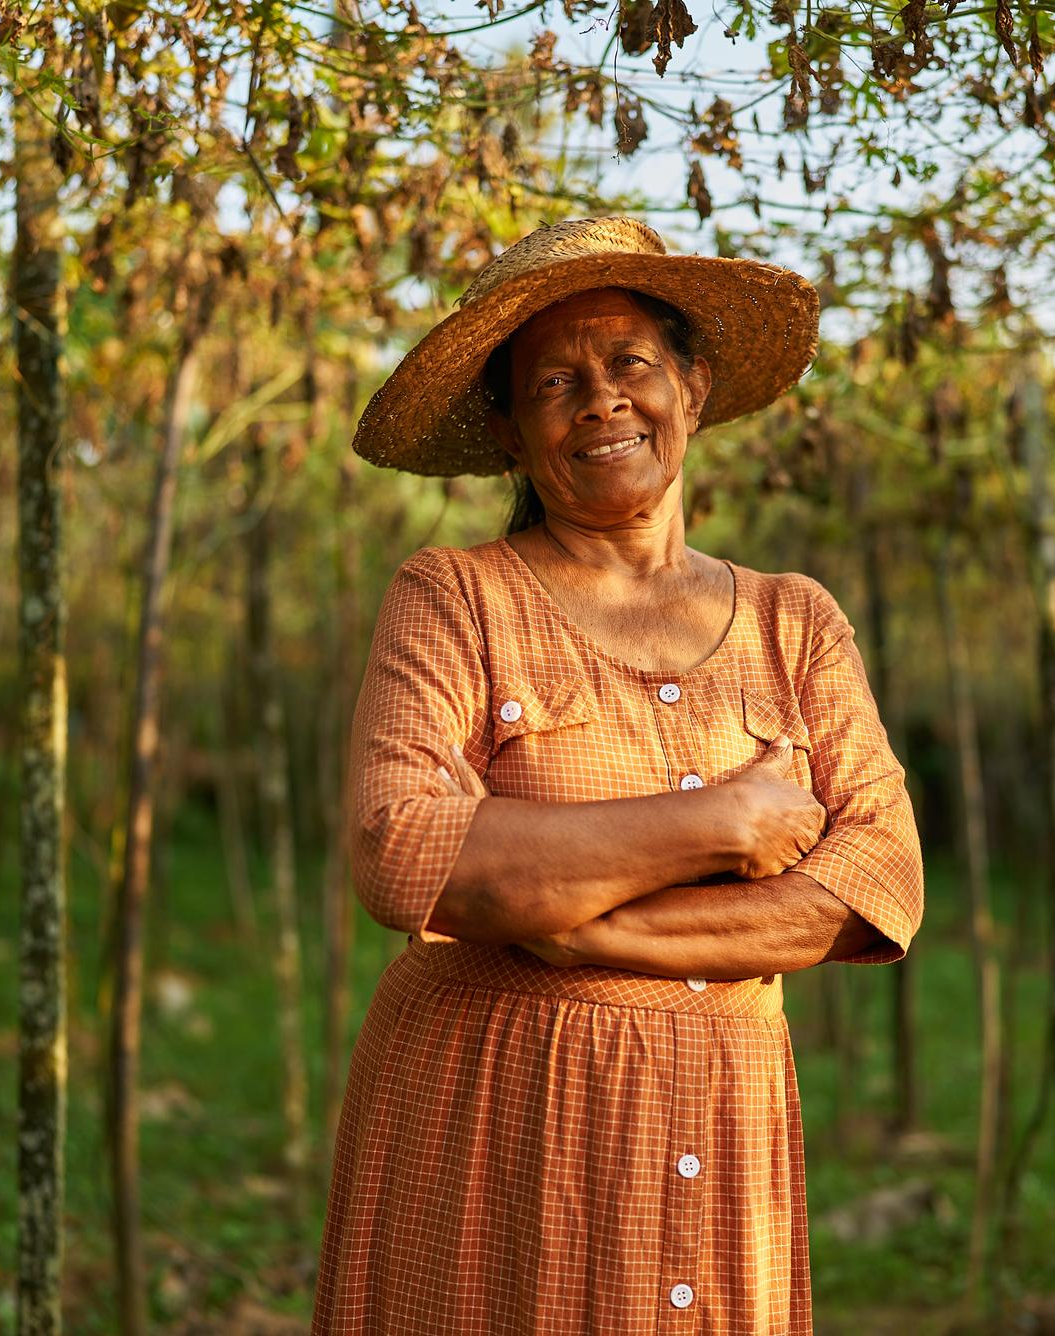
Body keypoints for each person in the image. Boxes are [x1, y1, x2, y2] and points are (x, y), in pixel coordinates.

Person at [311, 217, 924, 1334]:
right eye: (554, 381)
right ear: (508, 427)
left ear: (690, 386)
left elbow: (874, 882)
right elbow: (407, 853)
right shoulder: (453, 598)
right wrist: (722, 822)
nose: (600, 401)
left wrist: (583, 926)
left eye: (629, 363)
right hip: (493, 1129)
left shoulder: (795, 622)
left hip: (721, 1133)